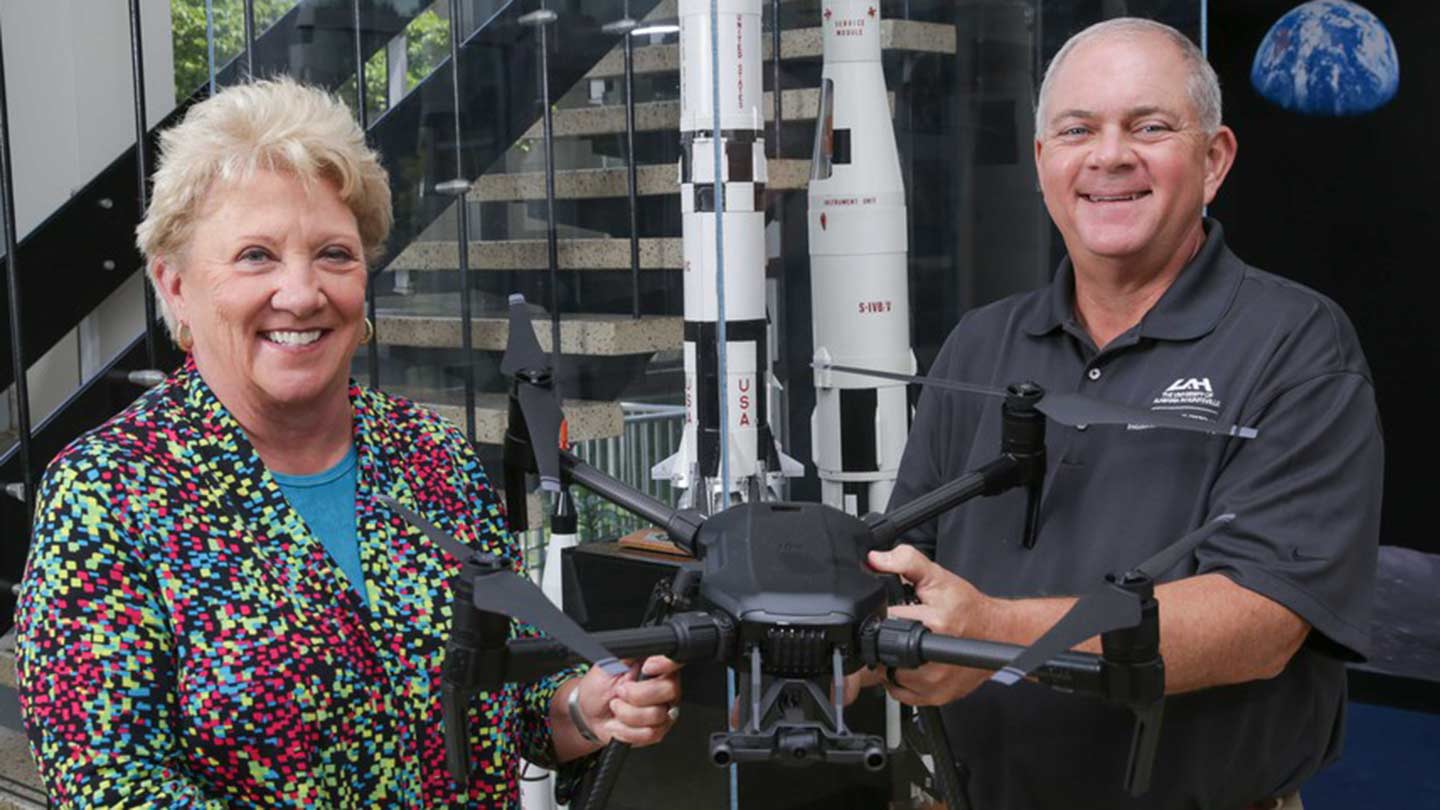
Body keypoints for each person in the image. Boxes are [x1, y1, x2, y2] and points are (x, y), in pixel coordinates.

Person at [14, 77, 681, 807]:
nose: (302, 294)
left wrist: (583, 709)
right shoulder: (110, 491)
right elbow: (112, 788)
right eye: (255, 256)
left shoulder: (434, 458)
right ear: (175, 288)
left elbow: (505, 701)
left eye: (333, 253)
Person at [856, 18, 1383, 810]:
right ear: (1042, 164)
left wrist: (997, 631)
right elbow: (906, 557)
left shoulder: (1298, 345)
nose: (1109, 156)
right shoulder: (981, 343)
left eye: (1150, 127)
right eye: (1077, 130)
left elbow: (1263, 616)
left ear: (1215, 160)